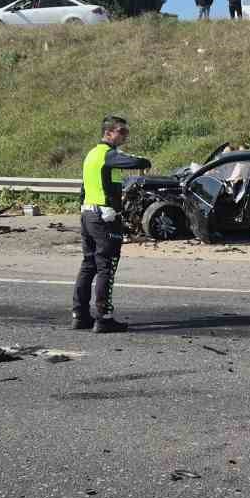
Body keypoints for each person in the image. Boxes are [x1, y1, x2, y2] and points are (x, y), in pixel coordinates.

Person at [72, 115, 151, 334]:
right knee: (106, 266)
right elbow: (137, 162)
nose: (125, 136)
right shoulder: (108, 155)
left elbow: (84, 188)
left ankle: (79, 315)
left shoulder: (92, 155)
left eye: (126, 132)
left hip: (89, 214)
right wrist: (145, 162)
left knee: (89, 265)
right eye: (121, 132)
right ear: (108, 133)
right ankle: (104, 318)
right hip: (104, 218)